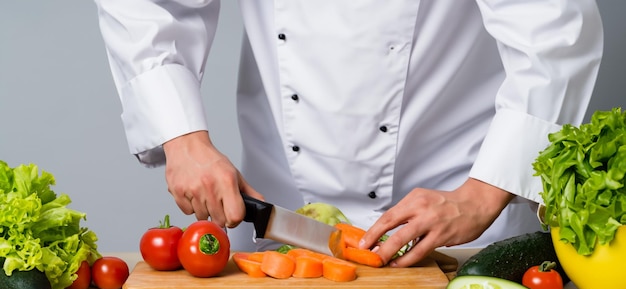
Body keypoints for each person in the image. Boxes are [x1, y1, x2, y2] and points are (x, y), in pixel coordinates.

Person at [94, 0, 603, 267]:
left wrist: (483, 192)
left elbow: (554, 27)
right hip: (287, 205)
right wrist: (182, 137)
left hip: (451, 198)